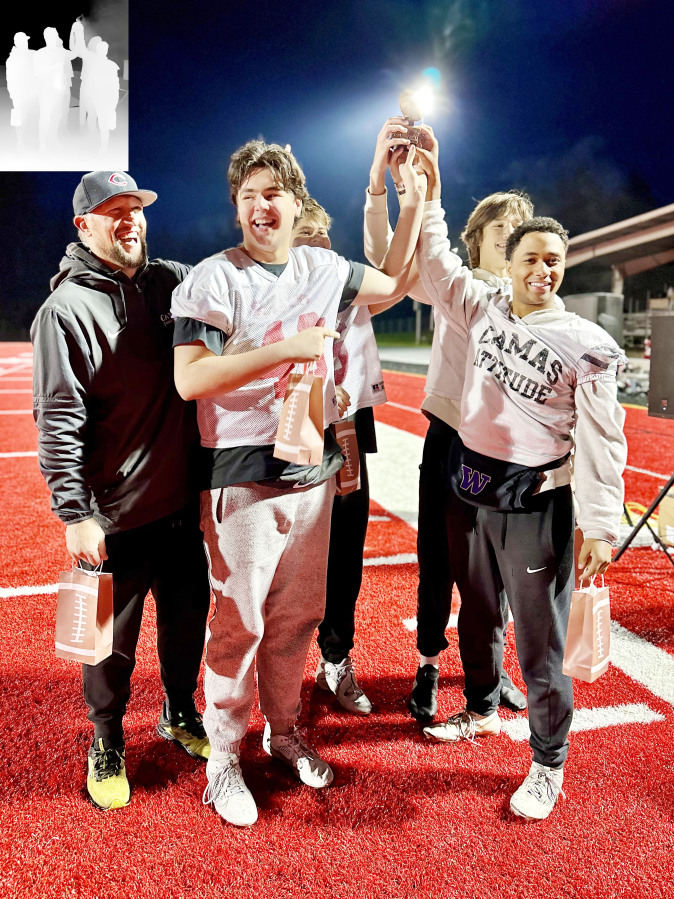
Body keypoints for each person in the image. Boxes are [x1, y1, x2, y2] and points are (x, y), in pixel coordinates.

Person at [171, 140, 421, 827]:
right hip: (244, 478)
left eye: (272, 192)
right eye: (247, 194)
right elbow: (190, 377)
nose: (260, 204)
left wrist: (402, 189)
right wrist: (285, 349)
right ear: (236, 207)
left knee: (294, 623)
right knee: (238, 624)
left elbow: (396, 281)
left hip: (311, 475)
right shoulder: (213, 277)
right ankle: (223, 755)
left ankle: (282, 733)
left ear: (293, 201)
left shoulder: (319, 265)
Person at [403, 137, 627, 820]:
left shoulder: (588, 343)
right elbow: (437, 262)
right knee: (477, 615)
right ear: (510, 261)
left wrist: (601, 521)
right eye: (530, 257)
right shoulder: (482, 305)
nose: (542, 269)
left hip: (536, 505)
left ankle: (548, 761)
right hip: (469, 490)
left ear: (563, 267)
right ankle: (479, 707)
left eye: (553, 260)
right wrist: (431, 192)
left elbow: (603, 437)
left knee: (540, 641)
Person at [31, 171, 212, 812]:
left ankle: (180, 710)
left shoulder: (169, 282)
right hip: (112, 516)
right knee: (106, 643)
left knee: (189, 623)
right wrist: (73, 513)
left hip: (181, 507)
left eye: (134, 209)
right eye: (113, 213)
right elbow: (57, 418)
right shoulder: (64, 312)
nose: (128, 220)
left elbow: (235, 285)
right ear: (83, 226)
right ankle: (106, 739)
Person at [363, 118, 529, 722]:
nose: (511, 239)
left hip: (507, 449)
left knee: (500, 566)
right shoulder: (453, 285)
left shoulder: (527, 306)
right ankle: (429, 663)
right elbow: (409, 259)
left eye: (520, 232)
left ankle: (491, 666)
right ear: (477, 240)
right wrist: (420, 185)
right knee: (438, 559)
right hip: (452, 439)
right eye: (501, 230)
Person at [292, 198, 385, 717]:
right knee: (281, 561)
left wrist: (398, 194)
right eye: (308, 232)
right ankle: (273, 674)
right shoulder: (264, 289)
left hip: (346, 430)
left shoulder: (350, 291)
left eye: (325, 231)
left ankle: (336, 659)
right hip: (288, 433)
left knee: (345, 553)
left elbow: (396, 278)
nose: (322, 241)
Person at [34, 27, 76, 152]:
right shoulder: (40, 53)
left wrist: (75, 32)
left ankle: (54, 139)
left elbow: (75, 54)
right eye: (52, 35)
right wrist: (52, 68)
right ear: (46, 37)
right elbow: (37, 72)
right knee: (45, 117)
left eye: (56, 35)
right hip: (46, 92)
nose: (55, 37)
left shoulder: (61, 52)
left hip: (59, 91)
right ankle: (42, 145)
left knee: (57, 116)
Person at [5, 32, 37, 150]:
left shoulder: (31, 54)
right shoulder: (12, 59)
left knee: (33, 117)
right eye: (23, 41)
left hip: (33, 93)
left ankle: (31, 138)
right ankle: (20, 142)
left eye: (26, 41)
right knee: (20, 120)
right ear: (17, 43)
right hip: (20, 95)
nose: (26, 43)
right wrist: (15, 97)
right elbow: (11, 80)